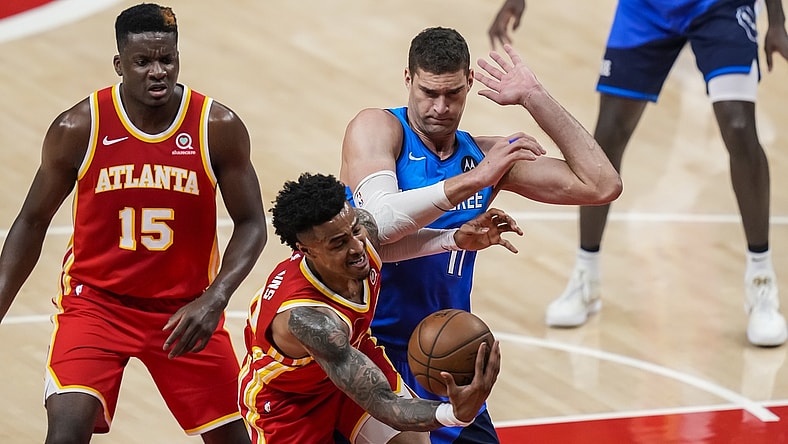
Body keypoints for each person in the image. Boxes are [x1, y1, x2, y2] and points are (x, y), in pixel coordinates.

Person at [339, 27, 622, 444]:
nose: (440, 107)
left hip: (447, 355)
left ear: (470, 82)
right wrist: (477, 179)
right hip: (368, 352)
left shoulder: (484, 155)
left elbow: (601, 185)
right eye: (428, 92)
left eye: (452, 93)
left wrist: (533, 97)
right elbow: (378, 225)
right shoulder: (379, 129)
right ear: (407, 79)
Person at [0, 4, 266, 443]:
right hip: (96, 305)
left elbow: (252, 223)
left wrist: (216, 297)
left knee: (235, 439)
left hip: (183, 310)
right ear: (120, 65)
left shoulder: (216, 126)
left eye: (168, 60)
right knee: (65, 431)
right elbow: (31, 221)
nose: (158, 72)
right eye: (143, 62)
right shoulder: (79, 127)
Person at [531, 0, 788, 347]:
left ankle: (761, 282)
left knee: (740, 127)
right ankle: (585, 276)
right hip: (646, 9)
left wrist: (776, 19)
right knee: (607, 135)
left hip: (720, 8)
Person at [238, 172, 519, 444]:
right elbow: (383, 403)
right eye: (339, 243)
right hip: (290, 402)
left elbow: (387, 246)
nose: (358, 247)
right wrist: (454, 414)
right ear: (306, 250)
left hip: (351, 354)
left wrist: (453, 239)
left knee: (414, 442)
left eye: (354, 231)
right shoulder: (309, 320)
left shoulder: (363, 232)